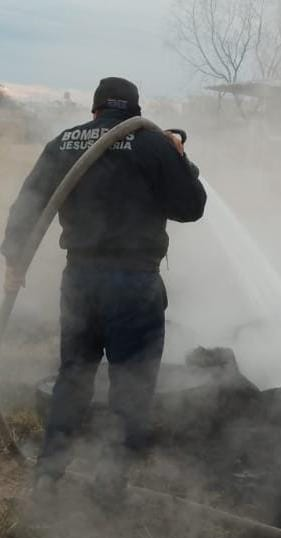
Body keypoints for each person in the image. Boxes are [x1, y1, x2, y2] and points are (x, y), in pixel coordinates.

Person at [1, 77, 207, 501]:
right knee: (131, 384)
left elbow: (28, 203)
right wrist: (182, 159)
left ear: (95, 111)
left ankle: (48, 476)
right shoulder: (153, 144)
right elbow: (192, 207)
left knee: (73, 377)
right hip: (134, 284)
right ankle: (110, 488)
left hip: (79, 281)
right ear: (134, 112)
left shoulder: (65, 143)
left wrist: (15, 261)